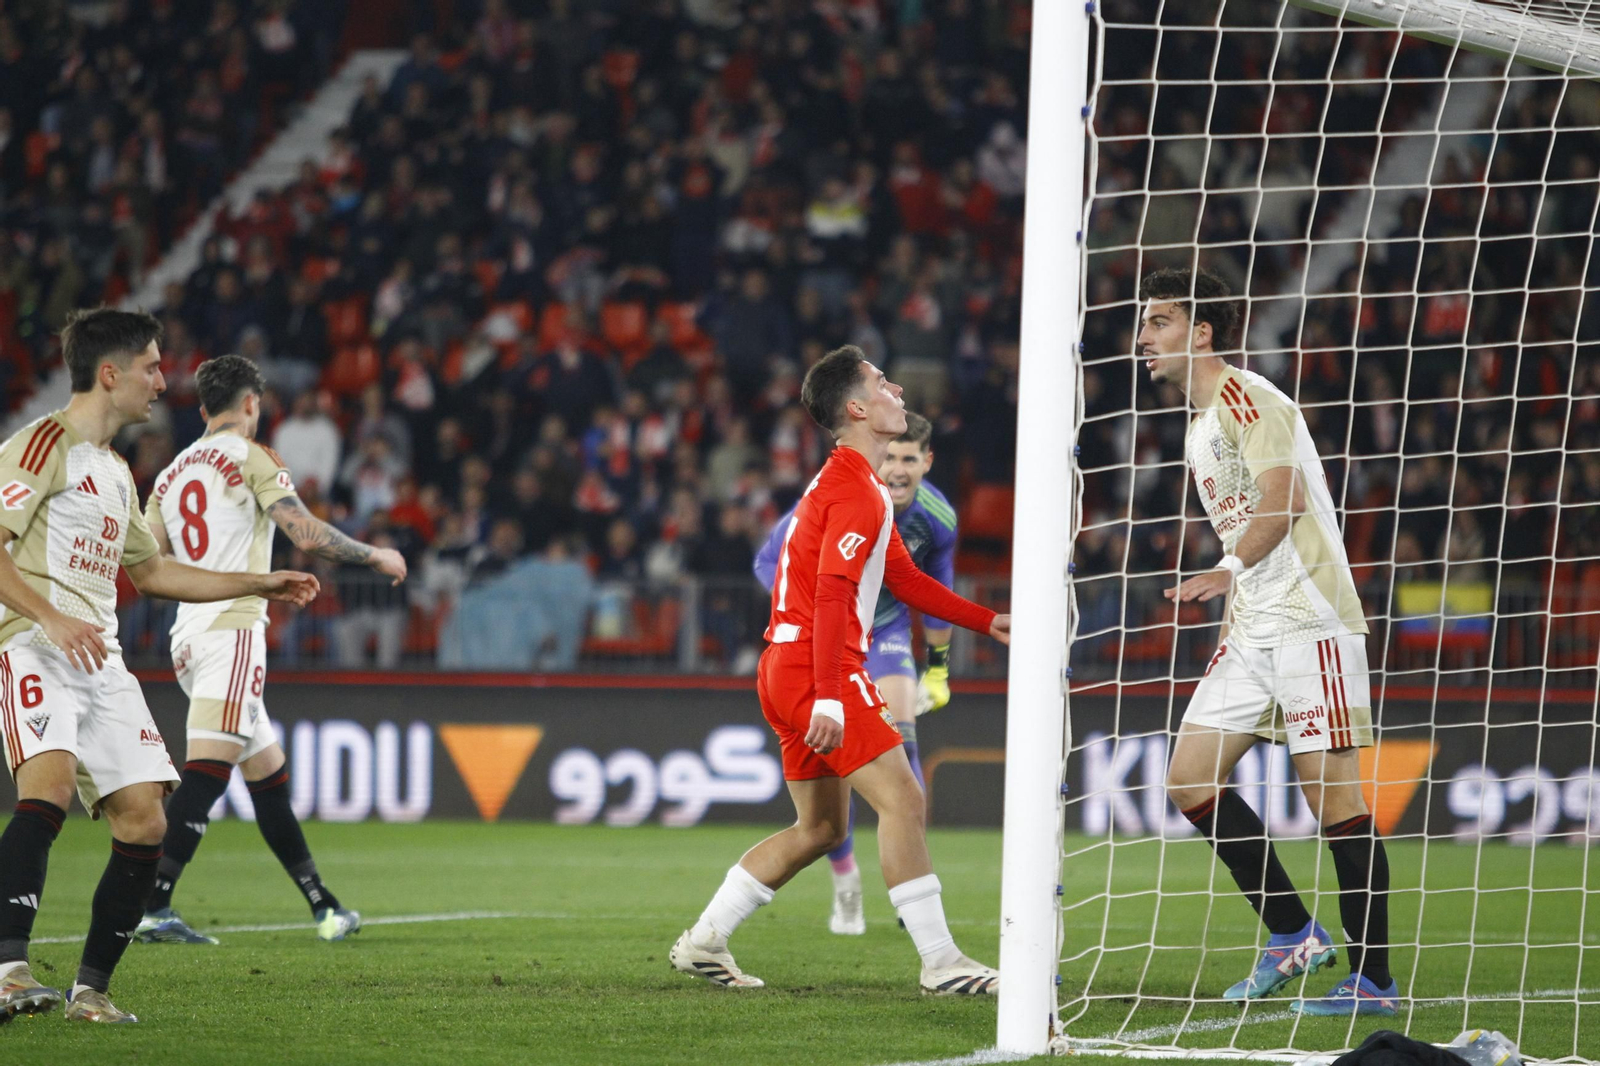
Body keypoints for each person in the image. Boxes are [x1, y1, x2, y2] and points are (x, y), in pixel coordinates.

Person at [0, 310, 318, 1023]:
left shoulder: (115, 473)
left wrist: (255, 581)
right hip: (33, 643)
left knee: (145, 820)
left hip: (100, 658)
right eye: (150, 366)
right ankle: (9, 970)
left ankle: (90, 992)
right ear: (109, 374)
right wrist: (48, 614)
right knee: (45, 791)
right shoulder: (40, 444)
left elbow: (155, 572)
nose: (162, 380)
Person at [669, 345, 1008, 995]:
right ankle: (942, 964)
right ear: (857, 407)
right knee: (905, 799)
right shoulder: (854, 488)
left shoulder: (853, 483)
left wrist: (984, 619)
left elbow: (902, 577)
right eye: (883, 382)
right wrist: (830, 696)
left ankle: (705, 941)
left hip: (784, 665)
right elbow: (831, 594)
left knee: (821, 828)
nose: (897, 387)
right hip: (814, 669)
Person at [1142, 267, 1395, 1016]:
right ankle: (1292, 933)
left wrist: (1224, 570)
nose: (1143, 337)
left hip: (1311, 620)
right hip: (1252, 626)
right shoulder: (1196, 428)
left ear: (1202, 330)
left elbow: (1281, 501)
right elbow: (1245, 517)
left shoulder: (1248, 397)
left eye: (1159, 320)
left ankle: (1373, 979)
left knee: (1334, 800)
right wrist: (1230, 612)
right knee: (1190, 779)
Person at [135, 355, 407, 946]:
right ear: (252, 404)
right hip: (232, 632)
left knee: (267, 775)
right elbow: (306, 534)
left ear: (204, 409)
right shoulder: (253, 458)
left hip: (188, 636)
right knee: (206, 775)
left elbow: (145, 561)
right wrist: (376, 555)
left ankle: (324, 908)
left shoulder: (172, 472)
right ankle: (150, 906)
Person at [753, 411, 959, 935]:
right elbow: (767, 562)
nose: (897, 469)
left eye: (909, 459)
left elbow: (933, 590)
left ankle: (909, 874)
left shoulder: (937, 518)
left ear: (926, 462)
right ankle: (846, 882)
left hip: (885, 632)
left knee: (903, 747)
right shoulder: (839, 493)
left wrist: (938, 670)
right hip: (828, 633)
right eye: (890, 456)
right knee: (837, 772)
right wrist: (795, 609)